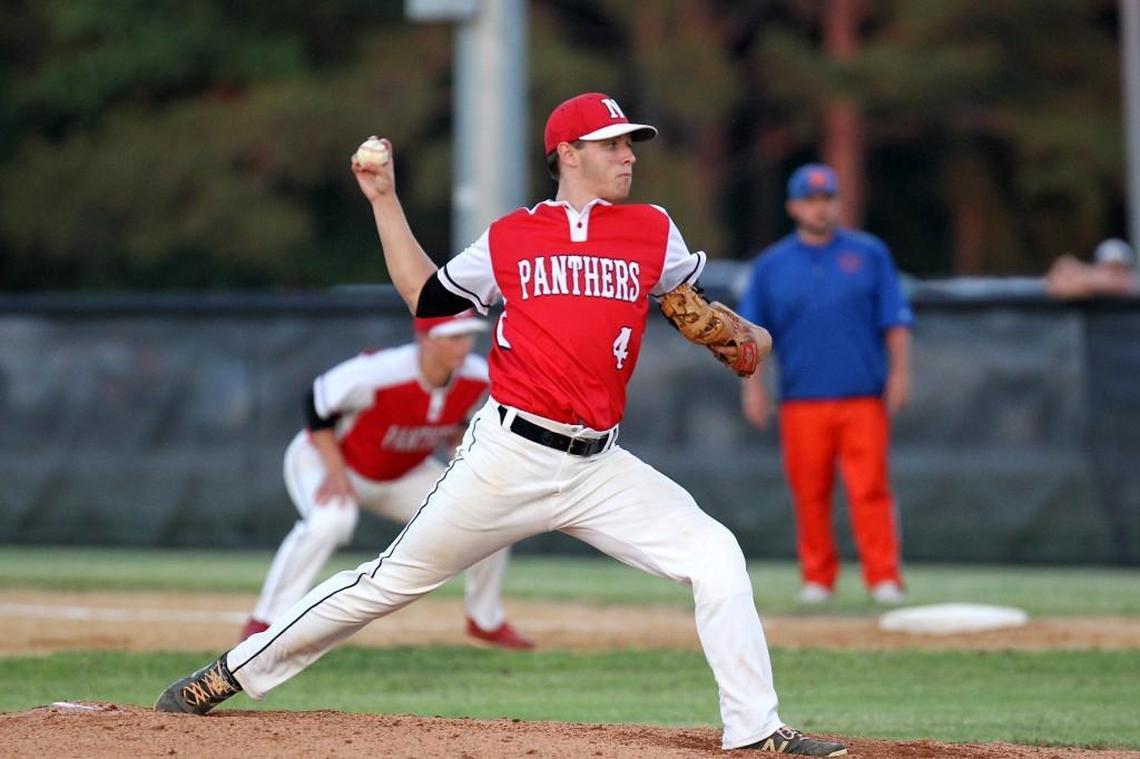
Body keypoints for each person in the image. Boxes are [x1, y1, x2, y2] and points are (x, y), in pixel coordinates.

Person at [156, 92, 847, 756]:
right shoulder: (513, 236)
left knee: (715, 553)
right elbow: (426, 298)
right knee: (386, 581)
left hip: (599, 466)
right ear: (568, 153)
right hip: (509, 453)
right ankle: (229, 672)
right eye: (612, 143)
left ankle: (755, 726)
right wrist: (385, 199)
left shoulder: (652, 228)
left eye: (631, 143)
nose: (629, 155)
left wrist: (744, 331)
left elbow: (693, 305)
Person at [239, 311, 533, 650]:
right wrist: (334, 471)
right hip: (332, 459)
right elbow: (316, 404)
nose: (463, 344)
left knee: (486, 514)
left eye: (467, 335)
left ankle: (485, 619)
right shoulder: (381, 373)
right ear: (425, 338)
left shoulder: (477, 377)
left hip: (401, 473)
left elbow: (458, 430)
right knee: (331, 521)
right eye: (452, 336)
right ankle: (265, 619)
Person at [738, 163, 913, 606]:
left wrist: (900, 374)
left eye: (827, 198)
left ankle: (883, 577)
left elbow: (894, 320)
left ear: (838, 202)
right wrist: (753, 388)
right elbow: (752, 334)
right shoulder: (772, 264)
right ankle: (818, 578)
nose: (820, 208)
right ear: (794, 206)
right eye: (811, 200)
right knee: (809, 492)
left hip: (862, 396)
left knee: (870, 489)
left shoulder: (869, 253)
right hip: (801, 399)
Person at [1046, 238, 1139, 300]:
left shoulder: (1133, 285)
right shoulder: (1092, 283)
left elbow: (1121, 284)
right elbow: (1058, 286)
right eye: (1109, 267)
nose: (1114, 272)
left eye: (1119, 267)